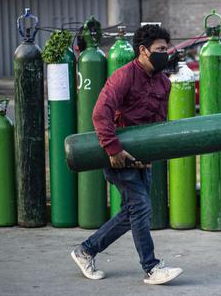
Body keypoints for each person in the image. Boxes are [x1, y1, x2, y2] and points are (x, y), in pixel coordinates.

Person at [70, 24, 183, 285]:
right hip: (118, 155)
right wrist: (113, 148)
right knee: (141, 207)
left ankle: (86, 250)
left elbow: (156, 123)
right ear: (143, 51)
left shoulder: (164, 83)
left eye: (166, 49)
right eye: (160, 49)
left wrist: (149, 154)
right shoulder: (124, 76)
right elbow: (101, 112)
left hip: (141, 157)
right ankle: (151, 267)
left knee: (132, 212)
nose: (165, 54)